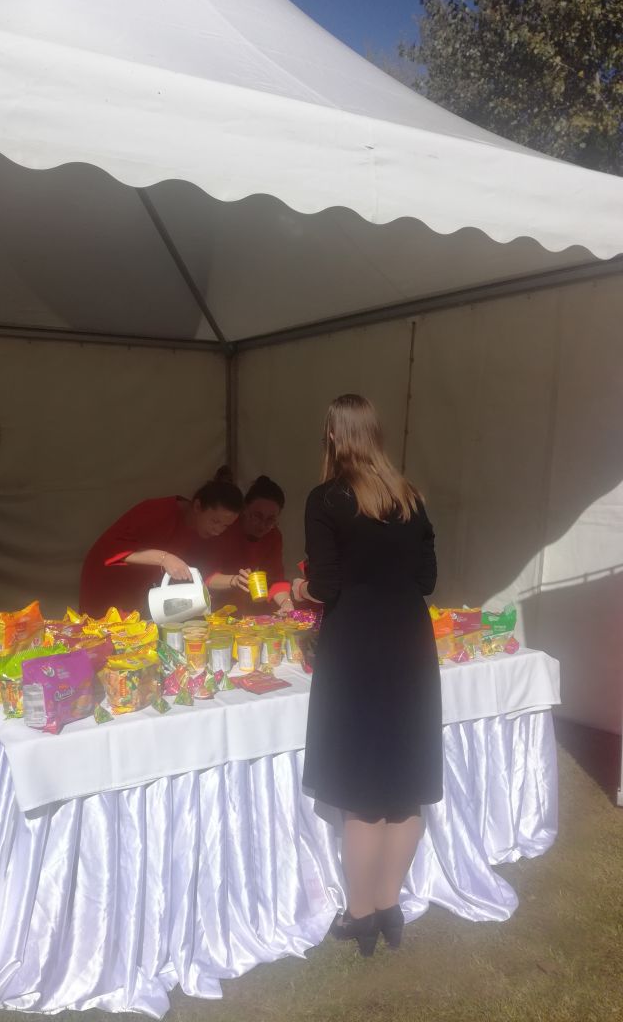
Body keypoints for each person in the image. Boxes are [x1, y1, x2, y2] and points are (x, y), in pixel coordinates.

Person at [292, 394, 441, 958]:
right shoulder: (411, 498)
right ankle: (389, 905)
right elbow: (426, 580)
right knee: (404, 788)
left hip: (356, 647)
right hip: (409, 644)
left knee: (362, 793)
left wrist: (301, 589)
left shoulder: (326, 498)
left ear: (333, 436)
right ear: (375, 435)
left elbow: (326, 585)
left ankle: (360, 915)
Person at [80, 478, 243, 617]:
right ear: (198, 506)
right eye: (215, 521)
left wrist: (234, 580)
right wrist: (164, 558)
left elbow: (204, 575)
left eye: (225, 526)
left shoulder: (207, 535)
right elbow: (111, 550)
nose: (218, 530)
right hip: (109, 585)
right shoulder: (157, 510)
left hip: (143, 595)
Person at [208, 474, 294, 614]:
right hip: (213, 606)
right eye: (257, 516)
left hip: (244, 609)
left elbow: (276, 580)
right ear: (245, 509)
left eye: (270, 520)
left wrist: (286, 603)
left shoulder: (273, 535)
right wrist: (234, 580)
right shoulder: (226, 527)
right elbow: (206, 575)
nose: (262, 525)